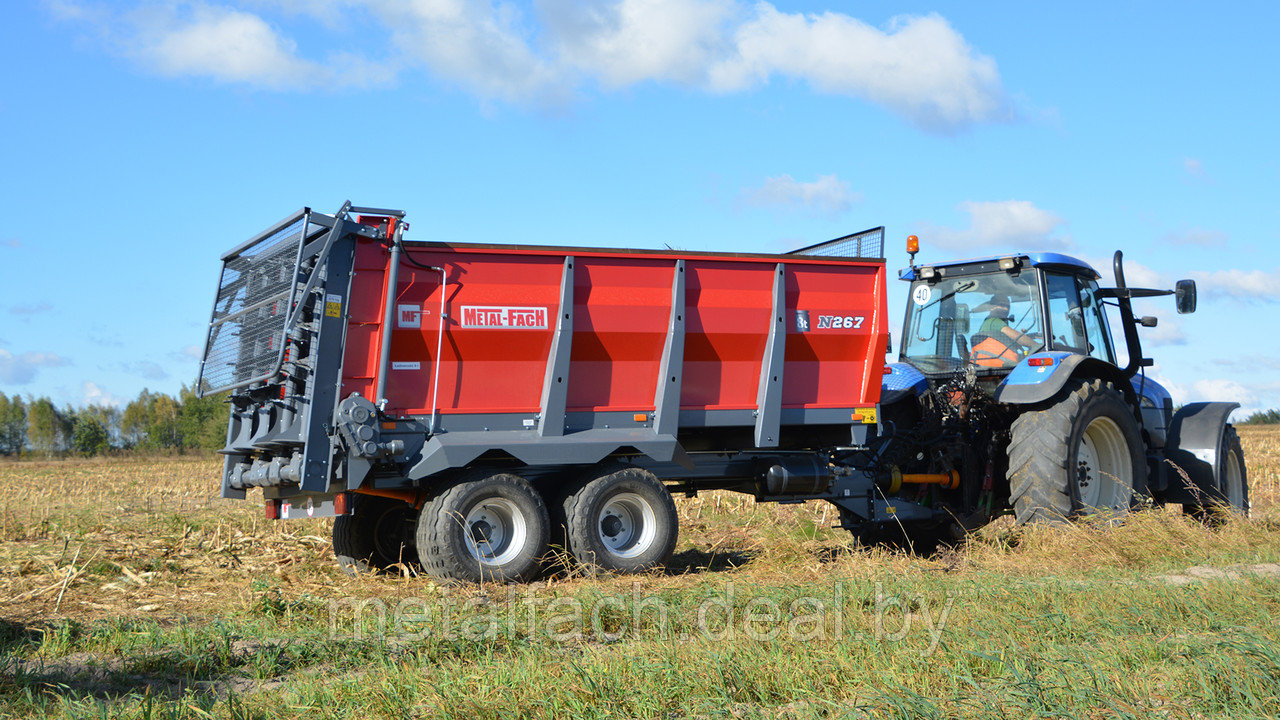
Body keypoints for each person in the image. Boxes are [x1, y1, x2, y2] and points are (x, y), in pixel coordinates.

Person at [970, 294, 1039, 366]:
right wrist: (1038, 346)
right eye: (1002, 305)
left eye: (1008, 306)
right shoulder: (994, 321)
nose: (1006, 309)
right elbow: (1018, 337)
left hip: (996, 365)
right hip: (1002, 365)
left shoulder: (989, 323)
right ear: (992, 307)